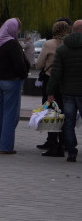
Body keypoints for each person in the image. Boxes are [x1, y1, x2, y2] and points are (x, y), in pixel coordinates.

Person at [0, 18, 30, 154]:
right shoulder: (12, 43)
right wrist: (23, 75)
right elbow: (20, 65)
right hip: (11, 81)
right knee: (10, 115)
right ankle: (6, 147)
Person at [46, 20, 82, 163]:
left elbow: (56, 73)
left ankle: (71, 152)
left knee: (68, 122)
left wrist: (50, 91)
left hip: (67, 91)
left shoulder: (62, 49)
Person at [34, 20, 70, 156]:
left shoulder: (49, 44)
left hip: (50, 81)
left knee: (51, 112)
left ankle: (53, 143)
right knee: (65, 111)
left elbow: (38, 65)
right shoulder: (70, 43)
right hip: (67, 81)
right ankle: (65, 142)